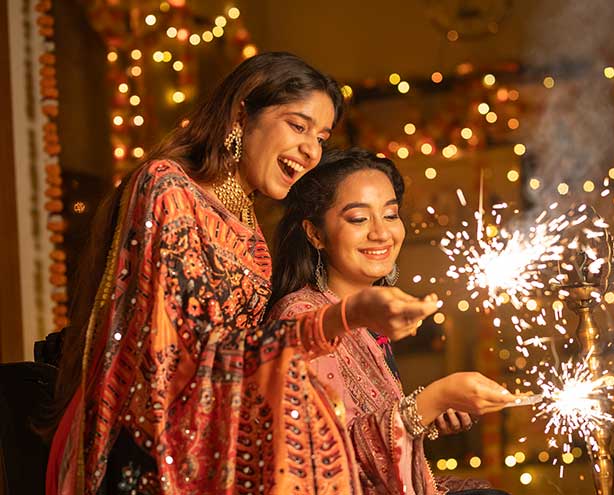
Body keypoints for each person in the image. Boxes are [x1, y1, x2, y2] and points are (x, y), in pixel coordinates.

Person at [43, 52, 439, 495]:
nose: (312, 149)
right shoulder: (167, 189)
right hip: (148, 445)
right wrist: (336, 319)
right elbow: (179, 355)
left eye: (322, 136)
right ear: (241, 113)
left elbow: (245, 359)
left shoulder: (250, 230)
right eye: (298, 125)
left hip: (222, 438)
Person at [269, 148, 515, 494]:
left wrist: (429, 416)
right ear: (315, 234)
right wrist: (433, 400)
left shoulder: (368, 322)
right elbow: (327, 462)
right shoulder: (303, 320)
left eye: (390, 215)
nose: (381, 234)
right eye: (358, 219)